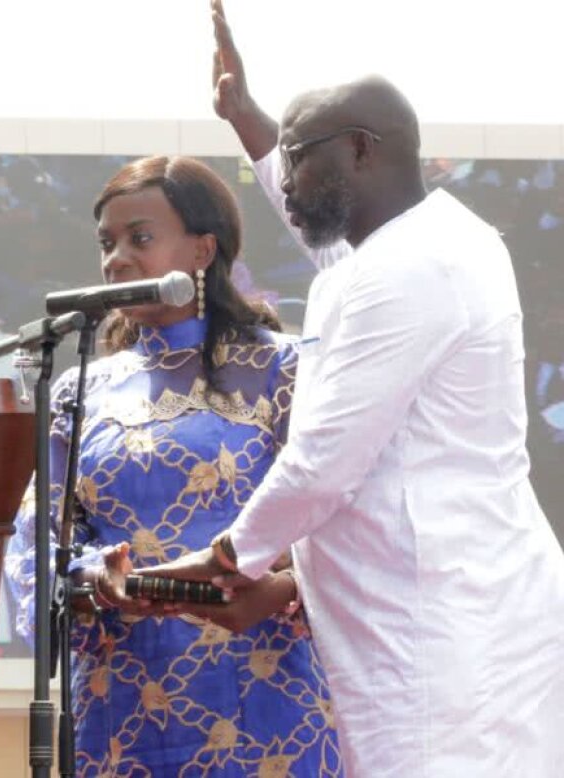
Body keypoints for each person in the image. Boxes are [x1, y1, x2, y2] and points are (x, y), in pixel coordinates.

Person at [146, 3, 564, 775]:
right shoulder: (422, 243)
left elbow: (322, 464)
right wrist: (249, 120)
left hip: (439, 627)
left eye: (301, 158)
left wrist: (230, 558)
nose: (286, 182)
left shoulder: (410, 269)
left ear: (363, 151)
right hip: (446, 610)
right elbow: (325, 242)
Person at [4, 155, 341, 776]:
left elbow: (341, 516)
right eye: (107, 244)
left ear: (203, 249)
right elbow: (35, 541)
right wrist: (90, 581)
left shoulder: (288, 369)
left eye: (140, 239)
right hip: (123, 693)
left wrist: (283, 591)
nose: (117, 260)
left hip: (269, 691)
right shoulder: (79, 389)